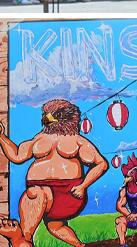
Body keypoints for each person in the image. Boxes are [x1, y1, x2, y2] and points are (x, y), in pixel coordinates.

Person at [0, 100, 109, 247]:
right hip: (46, 197)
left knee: (35, 193)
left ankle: (24, 240)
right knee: (55, 226)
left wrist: (83, 186)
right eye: (46, 114)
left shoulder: (78, 141)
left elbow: (101, 163)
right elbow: (17, 156)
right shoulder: (39, 138)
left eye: (55, 115)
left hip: (68, 193)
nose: (48, 118)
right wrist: (1, 137)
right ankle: (80, 245)